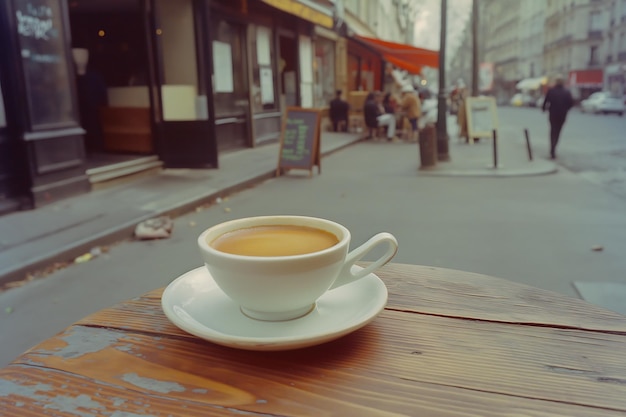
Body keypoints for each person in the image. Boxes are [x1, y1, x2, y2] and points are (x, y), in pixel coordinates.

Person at [542, 77, 573, 159]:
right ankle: (554, 147)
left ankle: (552, 148)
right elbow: (571, 103)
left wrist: (544, 109)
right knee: (558, 132)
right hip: (562, 115)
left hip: (552, 114)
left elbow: (546, 101)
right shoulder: (566, 92)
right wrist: (565, 108)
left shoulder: (551, 91)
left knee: (552, 131)